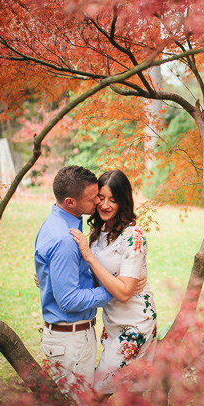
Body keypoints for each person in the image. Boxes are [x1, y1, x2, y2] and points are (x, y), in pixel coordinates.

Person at [35, 165, 146, 395]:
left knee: (99, 397)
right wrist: (117, 289)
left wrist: (52, 275)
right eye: (96, 197)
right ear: (70, 202)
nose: (99, 203)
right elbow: (69, 299)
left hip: (129, 323)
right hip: (74, 336)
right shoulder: (73, 237)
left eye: (109, 199)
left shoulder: (64, 225)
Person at [70, 169, 157, 394]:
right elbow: (99, 280)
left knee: (99, 391)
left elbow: (125, 292)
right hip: (112, 324)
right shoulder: (97, 233)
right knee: (130, 392)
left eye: (113, 200)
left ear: (123, 201)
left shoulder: (133, 236)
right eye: (102, 198)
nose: (105, 205)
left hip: (135, 324)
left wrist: (89, 256)